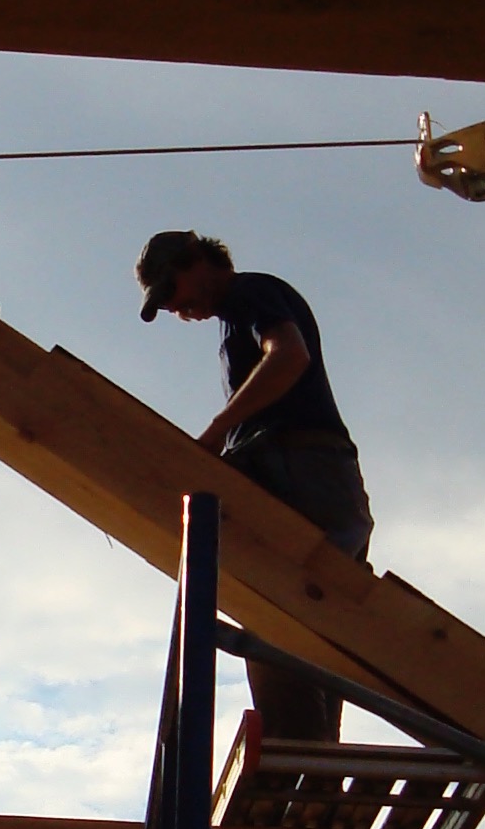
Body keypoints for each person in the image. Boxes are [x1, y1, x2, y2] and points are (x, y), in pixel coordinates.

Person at [135, 227, 373, 742]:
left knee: (274, 612)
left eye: (172, 294)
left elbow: (289, 355)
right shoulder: (235, 316)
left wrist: (218, 435)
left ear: (197, 260)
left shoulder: (248, 293)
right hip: (315, 474)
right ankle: (314, 762)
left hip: (304, 468)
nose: (179, 311)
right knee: (308, 628)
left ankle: (305, 765)